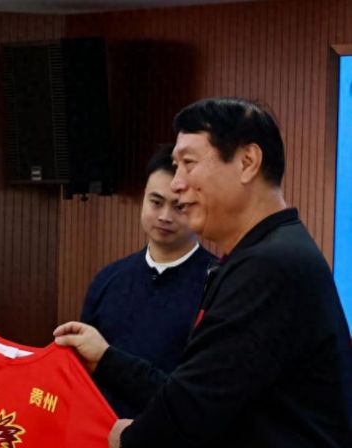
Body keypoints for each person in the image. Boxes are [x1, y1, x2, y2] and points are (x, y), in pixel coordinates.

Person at [55, 97, 352, 447]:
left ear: (247, 162)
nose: (177, 184)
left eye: (188, 163)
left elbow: (192, 408)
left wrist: (129, 438)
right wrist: (108, 361)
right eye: (175, 166)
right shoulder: (260, 255)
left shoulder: (270, 266)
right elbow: (200, 391)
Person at [81, 145, 215, 417]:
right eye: (156, 202)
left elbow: (203, 395)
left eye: (178, 206)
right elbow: (81, 374)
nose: (165, 216)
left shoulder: (218, 283)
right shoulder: (108, 279)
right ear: (143, 197)